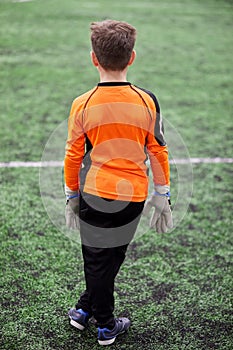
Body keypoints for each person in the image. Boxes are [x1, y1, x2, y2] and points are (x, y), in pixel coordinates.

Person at [64, 19, 173, 346]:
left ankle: (88, 313)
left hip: (94, 194)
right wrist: (162, 194)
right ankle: (102, 321)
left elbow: (72, 155)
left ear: (94, 58)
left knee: (100, 257)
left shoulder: (82, 103)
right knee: (110, 256)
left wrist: (71, 195)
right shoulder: (147, 100)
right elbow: (158, 149)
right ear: (132, 57)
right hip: (133, 197)